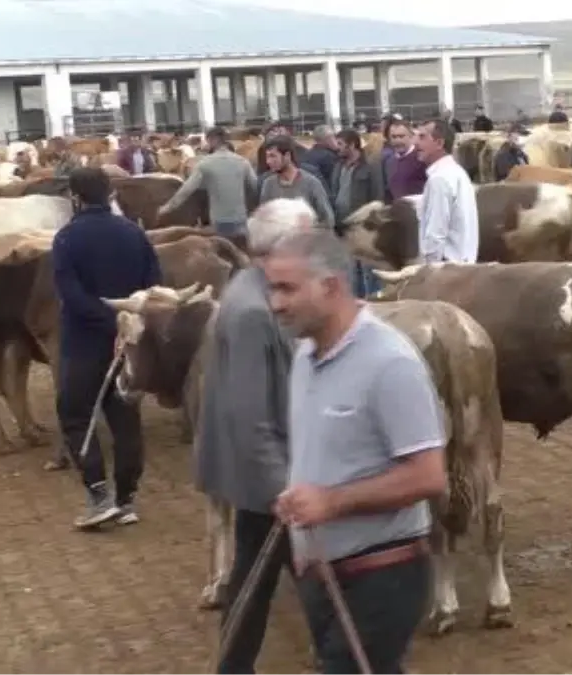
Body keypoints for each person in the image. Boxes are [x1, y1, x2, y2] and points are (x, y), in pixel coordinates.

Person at [265, 226, 447, 675]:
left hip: (380, 575)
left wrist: (331, 501)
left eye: (287, 288)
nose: (276, 303)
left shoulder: (391, 363)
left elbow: (428, 476)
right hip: (321, 572)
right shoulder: (305, 357)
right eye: (272, 288)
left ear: (331, 286)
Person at [198, 200, 300, 675]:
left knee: (265, 574)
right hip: (267, 473)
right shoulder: (252, 312)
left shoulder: (255, 291)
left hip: (267, 469)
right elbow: (250, 412)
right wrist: (282, 487)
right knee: (276, 574)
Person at [52, 167, 162, 528]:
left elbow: (70, 293)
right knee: (125, 416)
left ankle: (99, 495)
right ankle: (128, 498)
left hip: (83, 342)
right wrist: (126, 320)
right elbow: (153, 284)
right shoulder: (134, 233)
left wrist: (104, 318)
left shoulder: (67, 238)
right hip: (127, 342)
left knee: (76, 414)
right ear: (109, 193)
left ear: (76, 197)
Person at [159, 126, 257, 247]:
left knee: (224, 253)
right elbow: (255, 187)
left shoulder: (205, 164)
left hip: (219, 222)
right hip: (241, 220)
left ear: (213, 140)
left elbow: (186, 190)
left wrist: (166, 208)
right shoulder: (243, 162)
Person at [415, 118, 479, 263]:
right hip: (463, 264)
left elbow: (435, 233)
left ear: (439, 143)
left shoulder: (439, 179)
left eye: (422, 137)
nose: (416, 143)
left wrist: (430, 270)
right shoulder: (457, 172)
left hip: (446, 269)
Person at [332, 129, 386, 297]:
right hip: (344, 227)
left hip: (364, 227)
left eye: (340, 144)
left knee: (368, 270)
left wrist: (373, 224)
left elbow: (378, 198)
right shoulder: (338, 167)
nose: (337, 148)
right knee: (350, 270)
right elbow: (335, 192)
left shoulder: (370, 167)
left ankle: (373, 302)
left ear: (352, 145)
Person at [260, 136, 335, 231]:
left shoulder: (311, 183)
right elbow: (264, 219)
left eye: (273, 156)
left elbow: (328, 220)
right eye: (267, 157)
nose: (268, 162)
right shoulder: (268, 185)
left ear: (287, 155)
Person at [383, 119, 428, 201]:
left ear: (411, 136)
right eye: (394, 137)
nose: (397, 140)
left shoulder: (422, 159)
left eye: (401, 136)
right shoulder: (389, 162)